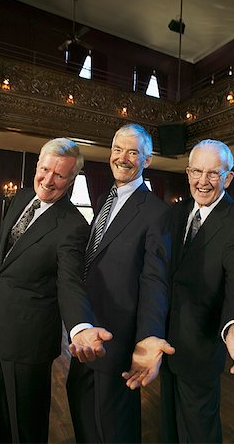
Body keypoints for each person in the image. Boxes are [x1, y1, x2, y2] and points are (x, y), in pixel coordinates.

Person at [0, 138, 112, 444]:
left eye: (59, 175)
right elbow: (1, 260)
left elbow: (69, 281)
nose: (48, 180)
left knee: (25, 427)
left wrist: (80, 327)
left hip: (28, 341)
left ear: (70, 180)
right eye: (44, 170)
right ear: (38, 165)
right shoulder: (22, 196)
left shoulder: (73, 225)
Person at [67, 124, 175, 444]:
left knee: (115, 427)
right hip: (87, 331)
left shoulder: (157, 213)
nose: (122, 158)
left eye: (132, 152)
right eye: (117, 149)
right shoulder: (103, 198)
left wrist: (148, 338)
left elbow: (156, 281)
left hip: (119, 339)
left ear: (147, 160)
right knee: (82, 410)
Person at [160, 139, 234, 443]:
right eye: (197, 172)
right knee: (169, 425)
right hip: (165, 341)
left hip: (200, 346)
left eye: (214, 174)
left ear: (228, 177)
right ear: (188, 172)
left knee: (198, 431)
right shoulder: (175, 214)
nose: (203, 181)